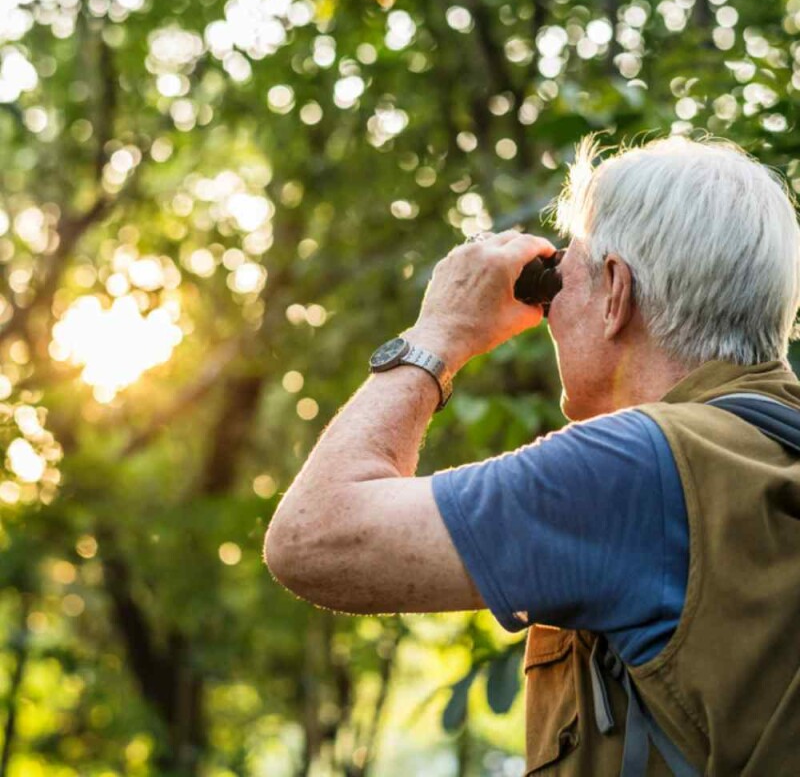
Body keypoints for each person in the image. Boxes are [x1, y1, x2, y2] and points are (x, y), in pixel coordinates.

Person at [264, 134, 800, 775]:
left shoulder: (635, 467)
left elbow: (312, 538)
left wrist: (440, 332)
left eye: (555, 285)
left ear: (615, 292)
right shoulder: (769, 445)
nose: (547, 316)